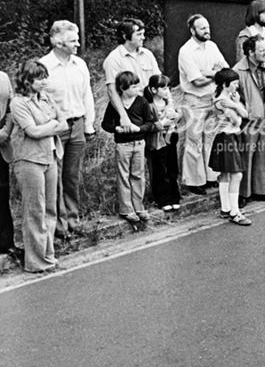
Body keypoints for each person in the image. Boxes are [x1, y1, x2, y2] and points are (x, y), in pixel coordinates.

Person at [10, 61, 67, 273]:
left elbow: (65, 123)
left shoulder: (46, 98)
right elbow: (32, 131)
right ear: (27, 80)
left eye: (45, 76)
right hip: (29, 160)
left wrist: (49, 127)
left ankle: (48, 254)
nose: (44, 81)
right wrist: (53, 125)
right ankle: (36, 261)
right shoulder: (18, 103)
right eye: (39, 78)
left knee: (50, 209)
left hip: (50, 156)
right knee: (35, 209)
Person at [39, 20, 94, 237]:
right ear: (58, 42)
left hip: (78, 124)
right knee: (55, 176)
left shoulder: (80, 64)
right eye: (73, 40)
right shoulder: (44, 66)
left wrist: (89, 124)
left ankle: (73, 219)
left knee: (72, 175)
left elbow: (86, 94)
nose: (78, 43)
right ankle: (58, 225)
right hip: (55, 129)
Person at [177, 14, 227, 194]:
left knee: (210, 139)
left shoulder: (212, 46)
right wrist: (214, 74)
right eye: (202, 28)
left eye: (207, 27)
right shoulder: (186, 51)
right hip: (194, 101)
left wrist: (208, 73)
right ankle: (194, 181)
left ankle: (210, 177)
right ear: (192, 31)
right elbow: (196, 81)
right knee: (194, 141)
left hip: (211, 99)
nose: (207, 30)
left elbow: (225, 69)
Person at [100, 70, 156, 224]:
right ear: (123, 88)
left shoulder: (141, 102)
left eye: (138, 86)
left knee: (138, 174)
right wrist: (116, 128)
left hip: (139, 142)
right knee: (123, 175)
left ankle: (139, 206)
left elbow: (150, 123)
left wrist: (139, 129)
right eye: (133, 87)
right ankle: (126, 209)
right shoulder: (114, 105)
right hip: (123, 144)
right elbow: (106, 124)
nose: (137, 89)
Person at [233, 35, 265, 202]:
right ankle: (243, 194)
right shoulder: (238, 70)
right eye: (261, 50)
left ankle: (261, 190)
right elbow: (234, 97)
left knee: (262, 154)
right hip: (248, 120)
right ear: (250, 52)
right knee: (247, 154)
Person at [103, 18, 160, 134]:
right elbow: (112, 91)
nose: (143, 37)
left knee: (157, 149)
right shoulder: (113, 59)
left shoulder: (148, 54)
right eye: (139, 34)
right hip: (132, 110)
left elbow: (159, 82)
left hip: (151, 109)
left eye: (143, 34)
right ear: (125, 36)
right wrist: (123, 117)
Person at [208, 68, 251, 225]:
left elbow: (245, 114)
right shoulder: (221, 101)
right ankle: (235, 212)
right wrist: (236, 105)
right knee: (236, 174)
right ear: (225, 84)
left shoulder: (228, 99)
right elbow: (238, 120)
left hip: (229, 137)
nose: (236, 86)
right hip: (227, 137)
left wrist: (235, 103)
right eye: (234, 83)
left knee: (226, 174)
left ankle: (225, 209)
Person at [144, 75, 182, 212]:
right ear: (153, 89)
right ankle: (162, 198)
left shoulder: (168, 103)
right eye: (163, 88)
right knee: (160, 168)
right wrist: (163, 123)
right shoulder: (149, 105)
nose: (167, 91)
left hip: (171, 136)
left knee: (172, 167)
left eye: (168, 88)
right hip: (157, 139)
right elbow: (149, 125)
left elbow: (177, 116)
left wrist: (176, 117)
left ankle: (174, 196)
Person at [0, 70, 15, 257]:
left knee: (2, 193)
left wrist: (5, 132)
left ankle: (5, 243)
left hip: (1, 142)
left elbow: (11, 108)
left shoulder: (3, 77)